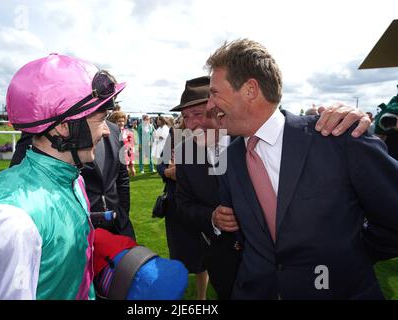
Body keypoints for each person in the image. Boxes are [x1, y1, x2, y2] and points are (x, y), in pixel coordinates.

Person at [205, 39, 398, 299]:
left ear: (250, 89)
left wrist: (355, 253)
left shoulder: (337, 136)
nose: (208, 106)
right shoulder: (231, 159)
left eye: (215, 93)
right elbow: (243, 237)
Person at [173, 76, 372, 300]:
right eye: (185, 117)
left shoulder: (253, 136)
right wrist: (212, 218)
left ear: (217, 108)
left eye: (198, 115)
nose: (190, 126)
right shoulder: (185, 152)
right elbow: (182, 205)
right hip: (224, 263)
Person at [0, 54, 125, 299]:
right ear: (64, 126)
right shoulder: (8, 222)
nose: (106, 131)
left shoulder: (75, 179)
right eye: (101, 119)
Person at [156, 115, 209, 300]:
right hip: (175, 207)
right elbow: (160, 165)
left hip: (198, 205)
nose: (192, 120)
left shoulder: (210, 135)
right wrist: (168, 172)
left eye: (197, 113)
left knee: (202, 258)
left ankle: (201, 298)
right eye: (187, 115)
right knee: (178, 255)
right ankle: (179, 293)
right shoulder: (174, 134)